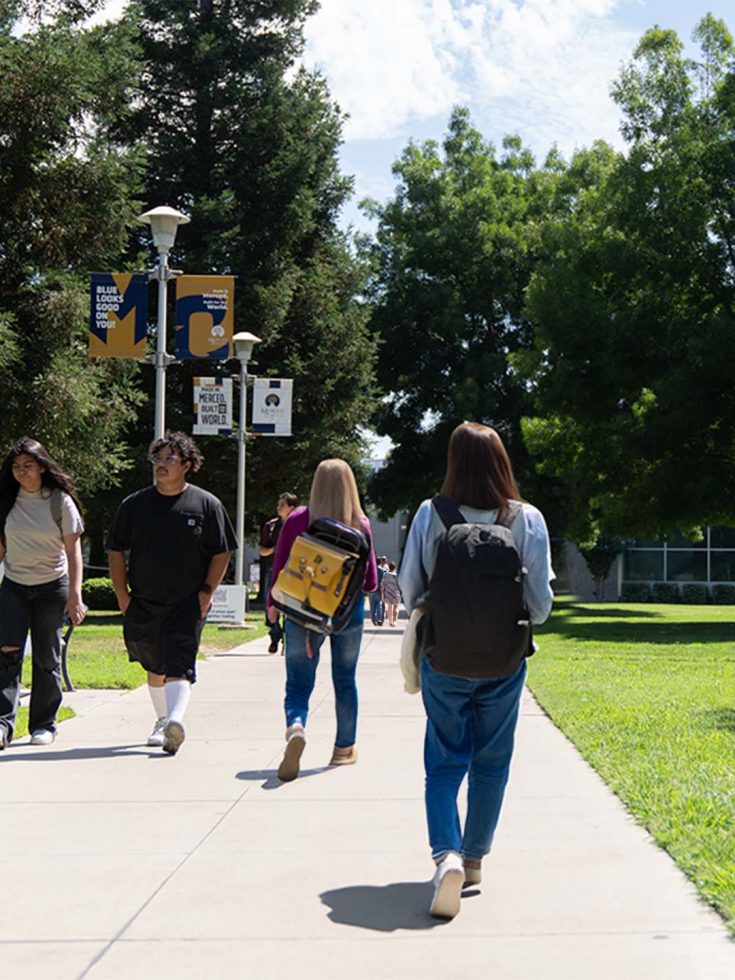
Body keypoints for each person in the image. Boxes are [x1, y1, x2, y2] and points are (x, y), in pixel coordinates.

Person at [398, 422, 554, 919]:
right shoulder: (526, 519)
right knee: (492, 760)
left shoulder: (430, 513)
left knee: (444, 762)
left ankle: (445, 856)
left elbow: (409, 589)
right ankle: (475, 857)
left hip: (443, 655)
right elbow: (542, 607)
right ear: (502, 462)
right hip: (504, 661)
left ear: (453, 462)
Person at [107, 432, 237, 755]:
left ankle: (174, 722)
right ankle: (163, 719)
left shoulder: (207, 505)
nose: (161, 465)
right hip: (144, 600)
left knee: (180, 662)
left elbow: (223, 551)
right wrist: (123, 597)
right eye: (157, 459)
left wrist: (207, 591)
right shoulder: (134, 505)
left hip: (187, 601)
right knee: (155, 664)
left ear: (187, 465)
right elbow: (115, 551)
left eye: (169, 459)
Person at [267, 459, 377, 781]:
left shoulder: (297, 519)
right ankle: (343, 750)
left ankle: (297, 726)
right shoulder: (361, 524)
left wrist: (273, 604)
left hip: (303, 612)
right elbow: (370, 582)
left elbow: (281, 567)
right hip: (347, 614)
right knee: (345, 679)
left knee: (299, 683)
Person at [0, 437, 86, 749]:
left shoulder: (58, 501)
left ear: (41, 467)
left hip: (52, 587)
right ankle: (2, 725)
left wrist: (75, 595)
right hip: (14, 586)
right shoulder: (7, 502)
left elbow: (74, 552)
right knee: (6, 654)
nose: (22, 472)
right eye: (16, 467)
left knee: (46, 657)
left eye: (28, 466)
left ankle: (43, 724)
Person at [258, 492, 298, 653]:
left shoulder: (299, 525)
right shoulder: (271, 526)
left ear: (291, 507)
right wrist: (277, 549)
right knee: (270, 605)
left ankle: (289, 637)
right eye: (278, 505)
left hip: (294, 572)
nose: (279, 508)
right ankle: (275, 635)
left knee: (293, 606)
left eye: (282, 505)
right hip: (273, 569)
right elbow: (262, 550)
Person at [380, 560, 401, 627]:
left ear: (389, 567)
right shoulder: (397, 575)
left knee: (389, 607)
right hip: (397, 593)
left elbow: (382, 585)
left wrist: (382, 595)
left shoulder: (385, 575)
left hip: (388, 593)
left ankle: (390, 622)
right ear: (395, 568)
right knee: (396, 607)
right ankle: (395, 621)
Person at [370, 556, 388, 626]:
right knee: (379, 605)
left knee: (372, 606)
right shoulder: (382, 571)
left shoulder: (371, 570)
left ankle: (373, 620)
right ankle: (379, 619)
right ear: (380, 562)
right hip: (379, 590)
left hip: (371, 590)